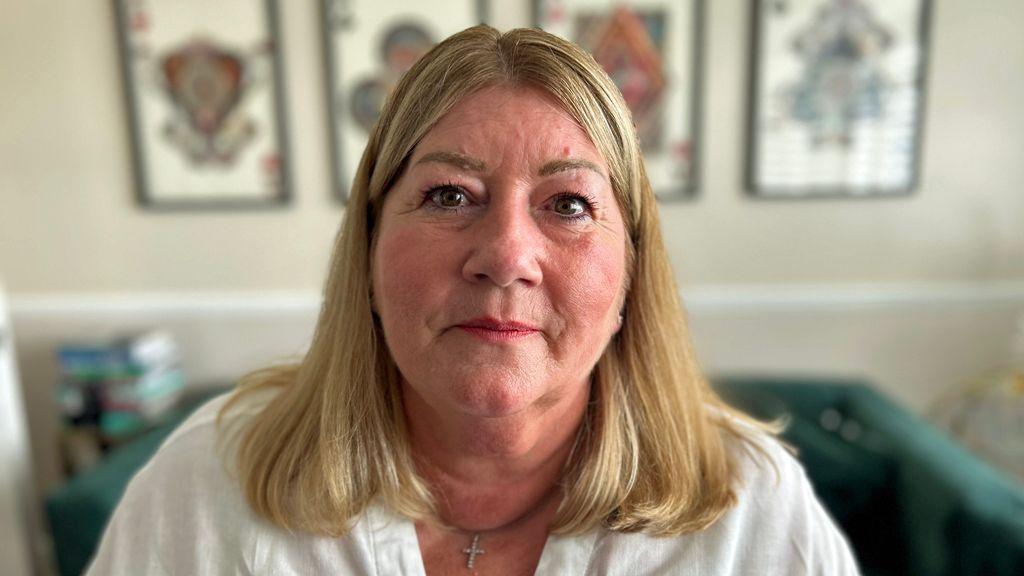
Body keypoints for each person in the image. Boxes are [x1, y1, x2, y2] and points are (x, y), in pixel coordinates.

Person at [87, 25, 859, 575]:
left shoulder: (753, 513)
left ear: (631, 272)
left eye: (568, 205)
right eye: (450, 193)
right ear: (367, 250)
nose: (506, 256)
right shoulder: (205, 486)